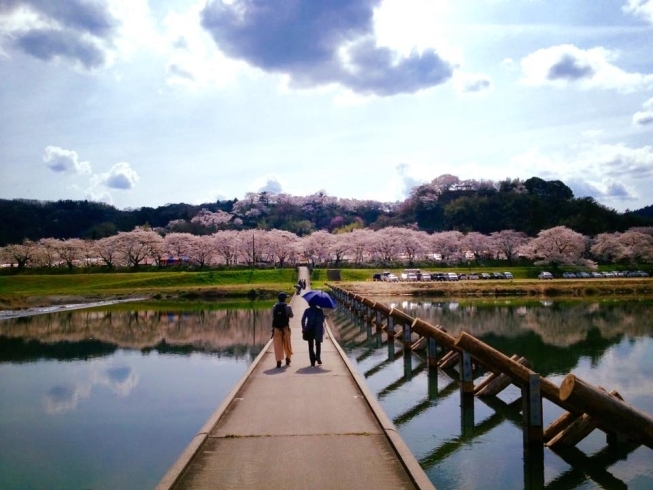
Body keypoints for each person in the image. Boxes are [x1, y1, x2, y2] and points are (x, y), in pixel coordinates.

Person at [271, 292, 294, 368]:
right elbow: (291, 316)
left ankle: (278, 361)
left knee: (278, 345)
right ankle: (288, 358)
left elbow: (273, 316)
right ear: (284, 299)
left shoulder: (274, 306)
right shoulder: (288, 307)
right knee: (287, 343)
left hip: (276, 328)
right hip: (285, 328)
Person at [301, 302, 324, 366]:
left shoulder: (307, 310)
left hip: (309, 329)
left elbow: (303, 320)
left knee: (310, 346)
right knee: (318, 344)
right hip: (318, 329)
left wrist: (304, 328)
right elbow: (322, 320)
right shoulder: (320, 310)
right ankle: (318, 357)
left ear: (309, 304)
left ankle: (312, 361)